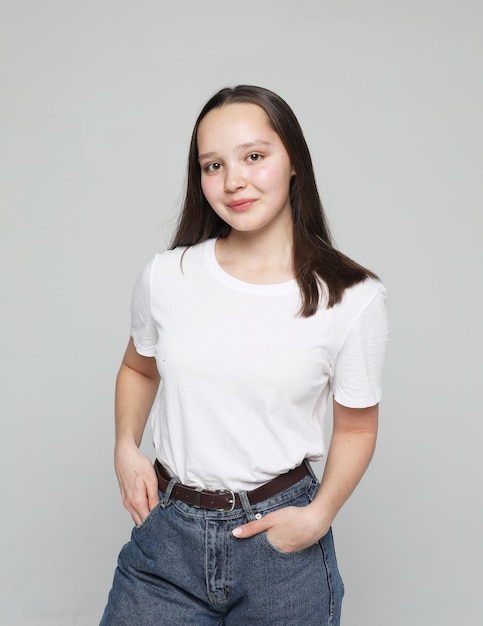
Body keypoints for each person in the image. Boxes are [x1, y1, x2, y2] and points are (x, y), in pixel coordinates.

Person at [100, 85, 388, 626]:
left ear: (293, 162)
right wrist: (124, 446)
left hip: (281, 549)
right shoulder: (169, 276)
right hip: (167, 539)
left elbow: (356, 428)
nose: (233, 181)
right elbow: (139, 367)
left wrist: (319, 515)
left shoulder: (352, 296)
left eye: (254, 156)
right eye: (213, 165)